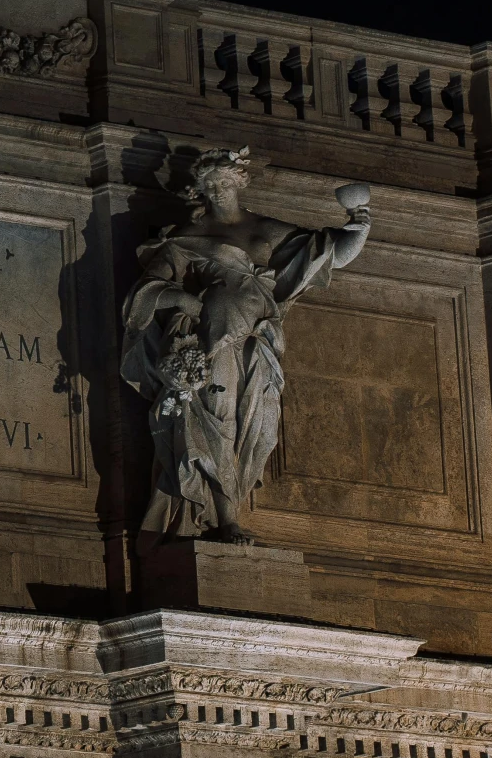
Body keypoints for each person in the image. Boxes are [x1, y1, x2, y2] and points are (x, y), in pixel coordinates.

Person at [120, 147, 372, 541]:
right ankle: (226, 517)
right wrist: (184, 300)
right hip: (211, 343)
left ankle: (231, 505)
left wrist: (359, 222)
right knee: (218, 420)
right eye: (210, 186)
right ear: (200, 191)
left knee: (261, 428)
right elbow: (146, 291)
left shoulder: (269, 231)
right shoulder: (188, 238)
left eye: (224, 183)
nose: (219, 191)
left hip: (260, 344)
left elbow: (332, 255)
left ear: (240, 182)